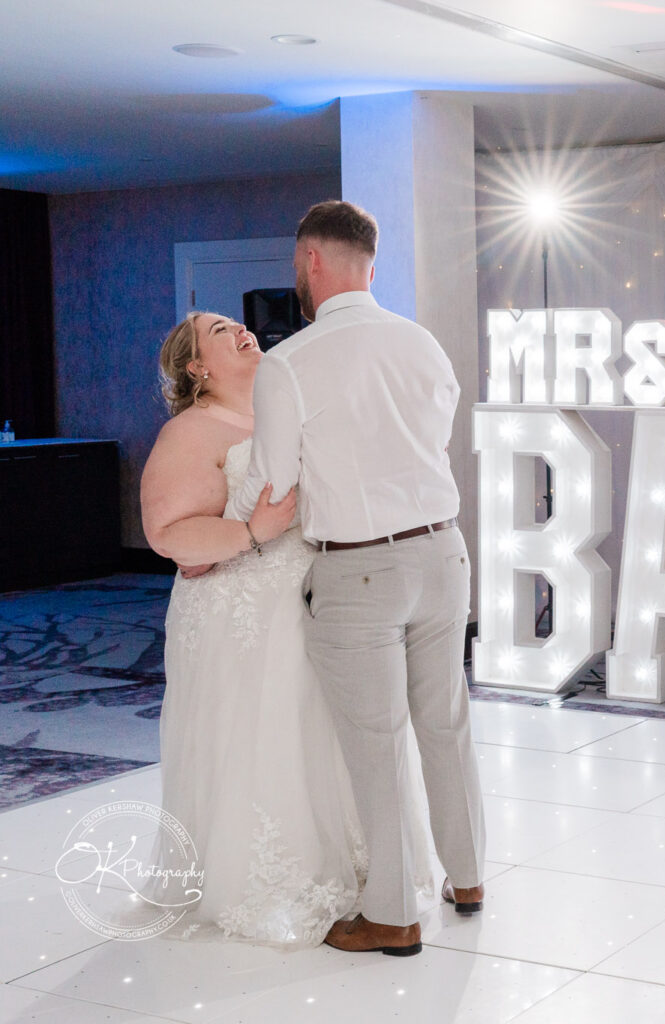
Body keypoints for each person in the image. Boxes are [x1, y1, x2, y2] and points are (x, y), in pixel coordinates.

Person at [233, 200, 485, 957]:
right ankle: (468, 878)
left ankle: (393, 914)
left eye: (295, 264)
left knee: (377, 745)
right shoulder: (421, 342)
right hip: (444, 552)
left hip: (360, 566)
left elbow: (275, 481)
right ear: (369, 265)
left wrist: (233, 516)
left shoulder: (290, 362)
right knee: (446, 724)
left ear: (311, 260)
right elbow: (433, 438)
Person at [142, 312, 374, 947]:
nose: (242, 329)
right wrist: (250, 532)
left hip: (307, 598)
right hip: (237, 611)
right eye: (220, 330)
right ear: (196, 367)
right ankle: (265, 878)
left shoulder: (281, 414)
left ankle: (355, 863)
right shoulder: (192, 429)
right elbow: (167, 532)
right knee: (260, 731)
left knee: (315, 727)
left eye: (239, 324)